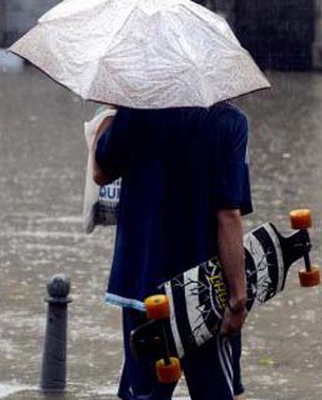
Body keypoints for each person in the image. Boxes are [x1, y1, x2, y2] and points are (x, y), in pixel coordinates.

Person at [91, 103, 251, 400]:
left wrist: (107, 118)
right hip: (205, 291)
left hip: (144, 290)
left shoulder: (136, 111)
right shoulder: (230, 121)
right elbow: (228, 215)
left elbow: (100, 173)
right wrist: (238, 298)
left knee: (145, 395)